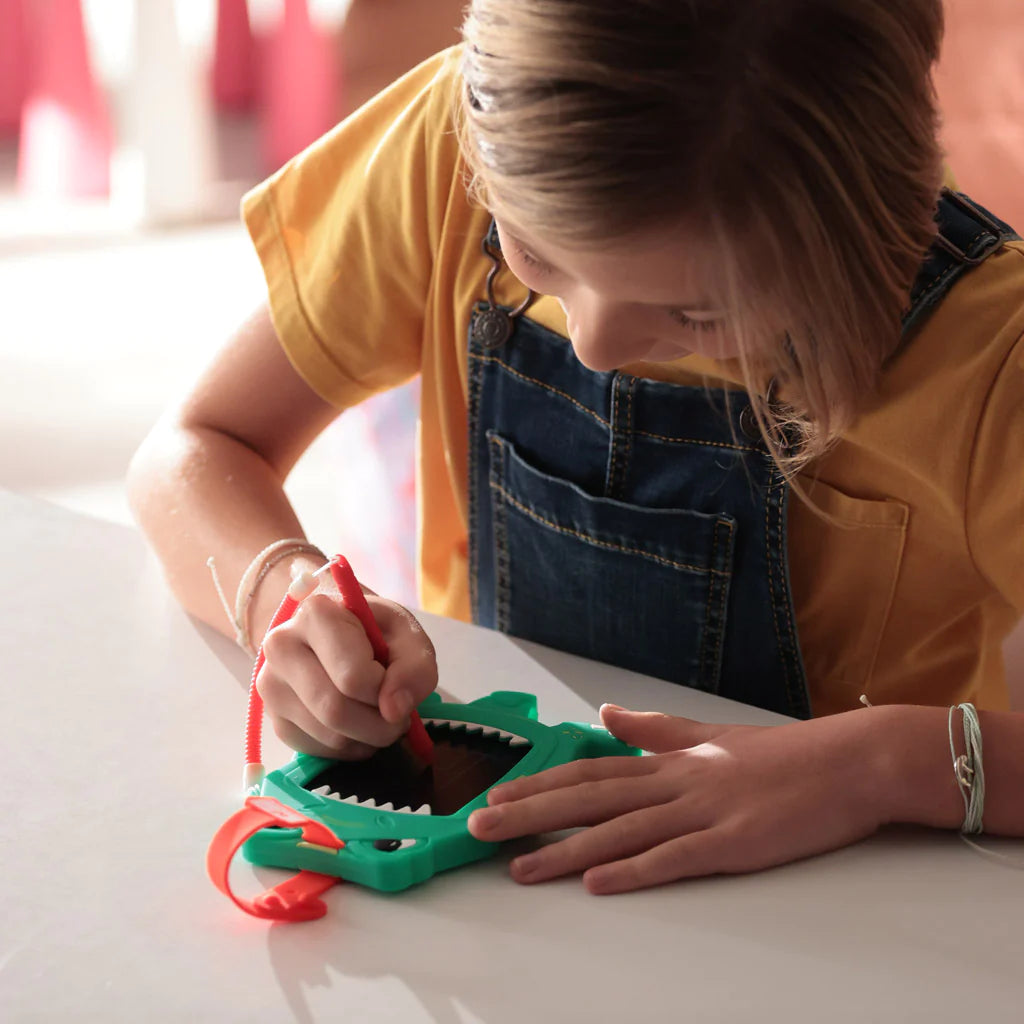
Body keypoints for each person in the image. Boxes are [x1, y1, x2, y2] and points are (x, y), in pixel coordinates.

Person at [128, 0, 1024, 894]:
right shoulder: (451, 150)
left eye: (698, 312)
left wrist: (881, 765)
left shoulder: (993, 357)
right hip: (495, 889)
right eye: (535, 253)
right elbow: (197, 446)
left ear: (869, 226)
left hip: (860, 911)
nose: (593, 342)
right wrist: (284, 600)